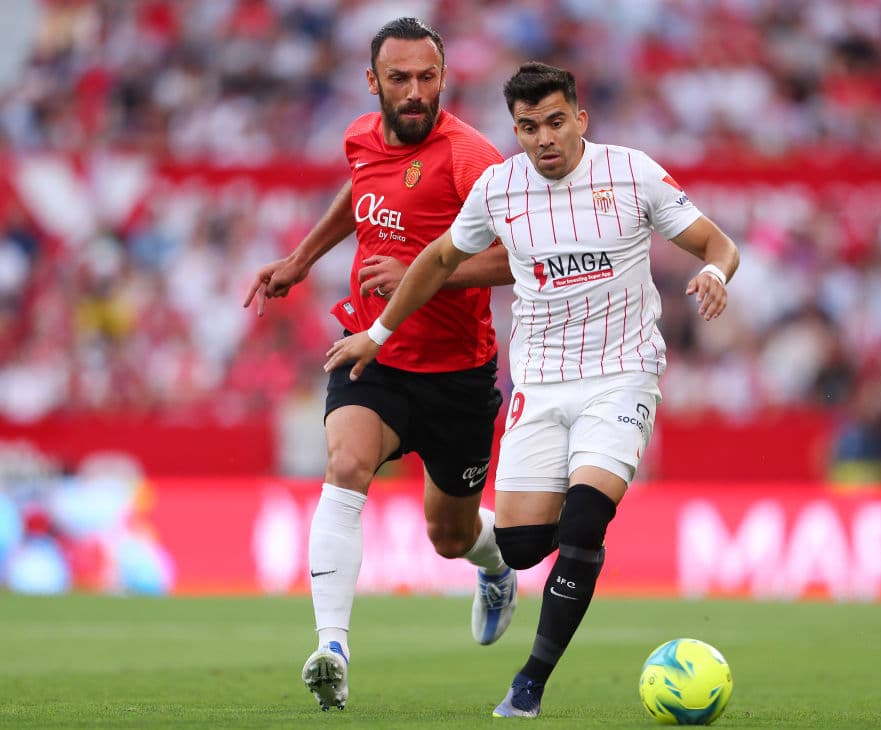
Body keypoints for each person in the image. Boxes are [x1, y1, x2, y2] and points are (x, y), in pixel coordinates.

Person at [324, 61, 741, 718]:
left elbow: (718, 242)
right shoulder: (499, 188)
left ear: (580, 119)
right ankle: (501, 574)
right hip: (540, 384)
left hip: (620, 374)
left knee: (583, 520)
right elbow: (438, 260)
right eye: (527, 127)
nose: (543, 139)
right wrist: (377, 334)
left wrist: (716, 271)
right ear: (515, 130)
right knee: (520, 547)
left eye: (554, 122)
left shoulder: (633, 174)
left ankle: (529, 685)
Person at [242, 18, 518, 712]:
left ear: (443, 78)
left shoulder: (471, 158)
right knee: (344, 467)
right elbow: (359, 194)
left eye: (427, 77)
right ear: (374, 82)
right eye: (400, 78)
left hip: (458, 372)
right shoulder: (361, 137)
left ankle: (494, 568)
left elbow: (518, 256)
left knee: (449, 536)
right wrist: (302, 259)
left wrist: (426, 277)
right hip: (376, 355)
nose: (415, 90)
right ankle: (331, 646)